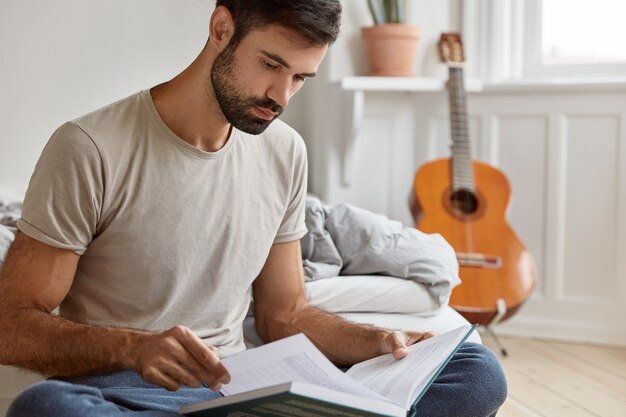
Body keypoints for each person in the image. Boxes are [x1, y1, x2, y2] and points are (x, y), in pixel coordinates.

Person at [0, 1, 507, 416]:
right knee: (47, 408)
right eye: (270, 65)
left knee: (475, 371)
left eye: (301, 78)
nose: (281, 96)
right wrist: (133, 348)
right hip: (128, 394)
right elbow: (11, 324)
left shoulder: (285, 151)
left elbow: (284, 315)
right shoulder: (89, 147)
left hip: (239, 392)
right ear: (222, 28)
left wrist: (382, 343)